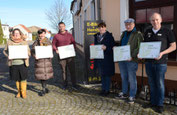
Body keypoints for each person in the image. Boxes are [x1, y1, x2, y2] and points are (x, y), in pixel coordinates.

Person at [142, 13, 176, 113]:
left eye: (156, 19)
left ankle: (160, 104)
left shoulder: (167, 31)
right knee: (152, 83)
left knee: (160, 84)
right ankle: (153, 102)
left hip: (161, 63)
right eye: (153, 20)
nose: (155, 22)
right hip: (149, 62)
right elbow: (145, 46)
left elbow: (173, 46)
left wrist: (162, 53)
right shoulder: (147, 31)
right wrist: (141, 53)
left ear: (161, 20)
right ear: (150, 21)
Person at [115, 18, 143, 104]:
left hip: (131, 60)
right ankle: (124, 93)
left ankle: (132, 95)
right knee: (124, 77)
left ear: (134, 24)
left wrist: (132, 56)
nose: (128, 26)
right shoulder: (123, 33)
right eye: (126, 24)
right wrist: (117, 49)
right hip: (122, 59)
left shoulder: (138, 34)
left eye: (129, 24)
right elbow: (122, 45)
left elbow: (140, 47)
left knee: (132, 78)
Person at [3, 28, 31, 98]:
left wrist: (27, 55)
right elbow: (4, 51)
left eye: (17, 33)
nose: (16, 34)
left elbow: (29, 52)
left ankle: (23, 92)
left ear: (20, 34)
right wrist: (8, 56)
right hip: (13, 63)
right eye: (15, 33)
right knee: (17, 78)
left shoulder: (24, 42)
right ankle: (19, 92)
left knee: (23, 78)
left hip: (23, 63)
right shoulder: (9, 42)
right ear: (13, 34)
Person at [52, 22, 77, 90]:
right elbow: (53, 44)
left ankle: (74, 84)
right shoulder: (56, 36)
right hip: (61, 55)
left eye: (62, 26)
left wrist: (73, 50)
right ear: (59, 27)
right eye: (60, 26)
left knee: (72, 70)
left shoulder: (69, 35)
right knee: (63, 71)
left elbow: (73, 43)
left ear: (65, 26)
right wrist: (55, 49)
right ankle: (65, 84)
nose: (61, 27)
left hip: (70, 55)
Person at [94, 22, 115, 96]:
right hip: (99, 58)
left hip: (107, 58)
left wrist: (106, 48)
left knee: (107, 75)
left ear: (105, 28)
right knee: (102, 75)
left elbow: (113, 48)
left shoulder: (109, 36)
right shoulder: (96, 36)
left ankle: (107, 90)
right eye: (99, 27)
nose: (101, 29)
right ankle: (103, 89)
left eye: (102, 27)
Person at [31, 29, 54, 96]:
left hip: (47, 61)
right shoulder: (36, 42)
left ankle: (45, 87)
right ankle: (44, 89)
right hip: (39, 62)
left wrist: (51, 54)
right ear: (38, 35)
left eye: (43, 33)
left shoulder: (48, 42)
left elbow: (51, 50)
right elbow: (32, 51)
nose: (42, 35)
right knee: (41, 76)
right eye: (40, 34)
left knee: (46, 76)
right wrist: (34, 55)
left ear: (45, 34)